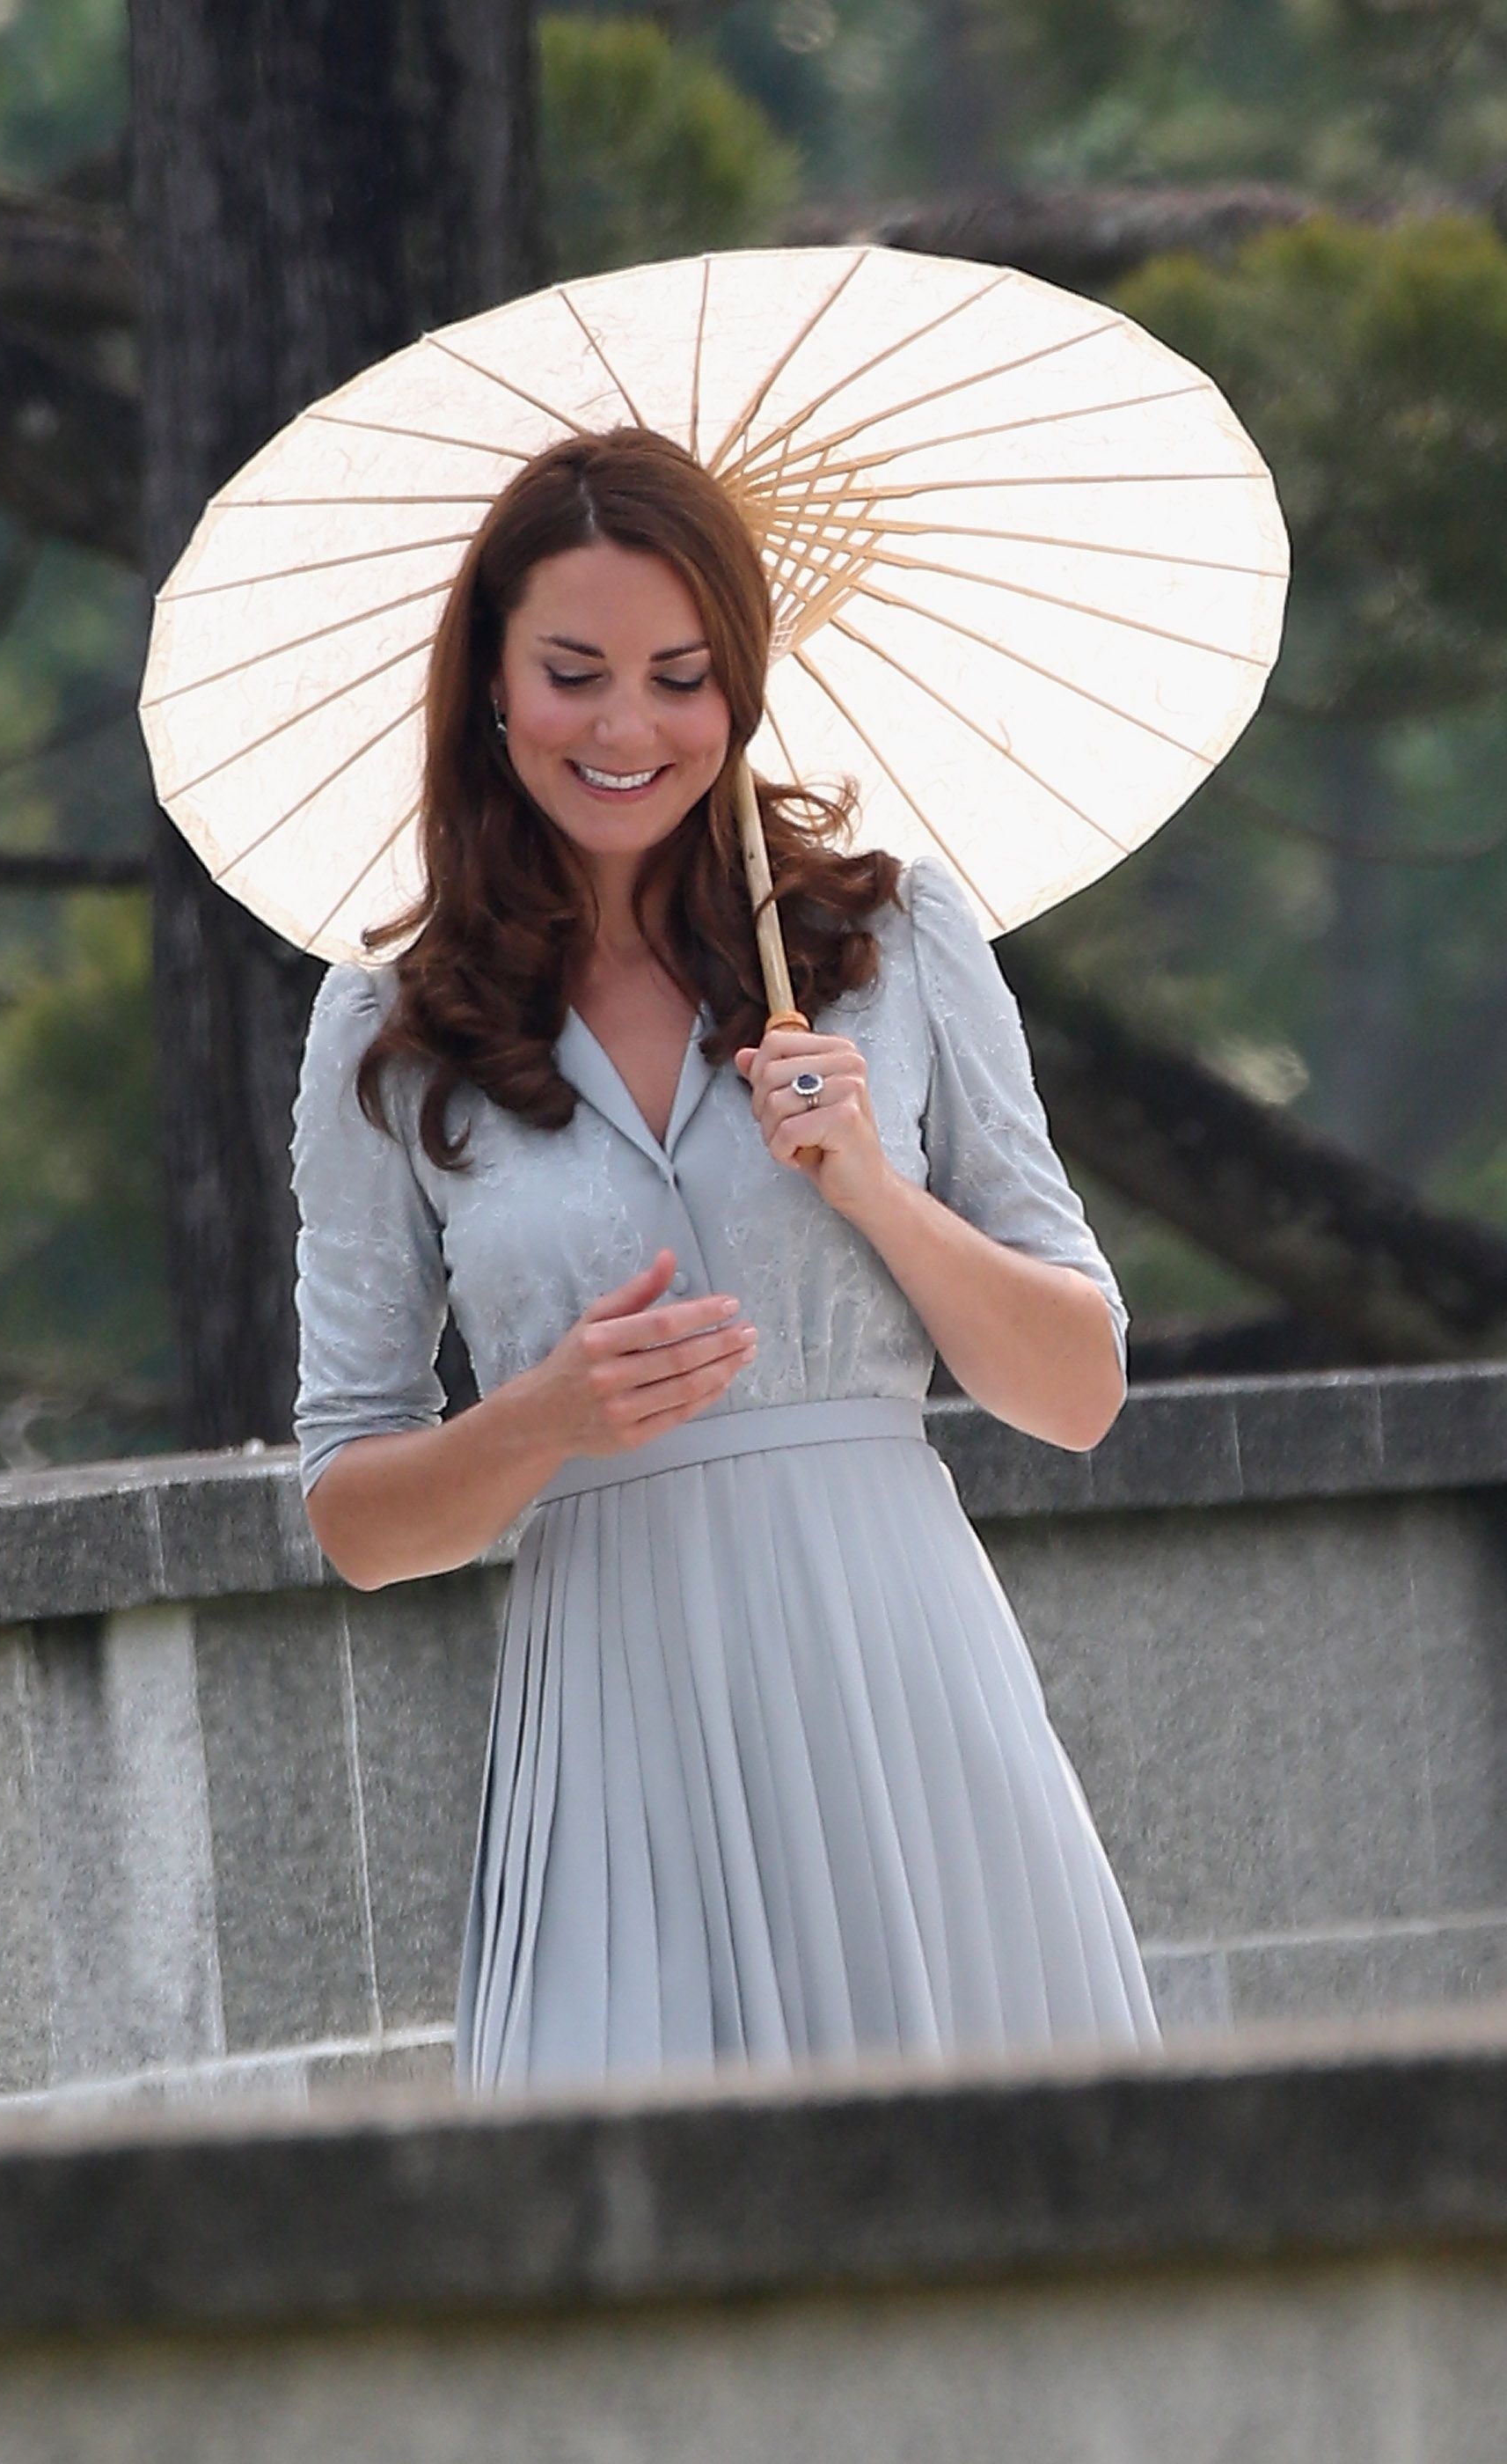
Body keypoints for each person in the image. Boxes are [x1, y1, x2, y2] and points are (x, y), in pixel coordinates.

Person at [290, 424, 1161, 2094]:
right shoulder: (379, 1029)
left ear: (742, 686)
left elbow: (1075, 1388)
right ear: (488, 680)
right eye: (574, 673)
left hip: (905, 1691)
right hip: (612, 1720)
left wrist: (876, 1195)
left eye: (681, 677)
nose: (627, 728)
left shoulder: (894, 940)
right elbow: (354, 1514)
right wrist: (539, 1418)